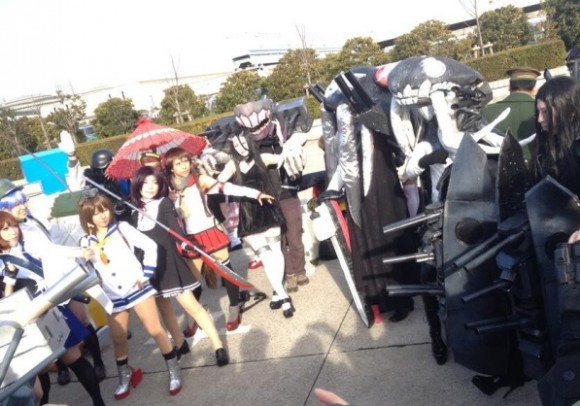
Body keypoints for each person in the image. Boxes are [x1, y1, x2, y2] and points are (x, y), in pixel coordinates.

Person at [0, 178, 107, 387]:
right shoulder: (8, 244)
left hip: (58, 282)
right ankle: (62, 368)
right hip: (34, 300)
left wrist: (79, 252)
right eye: (16, 204)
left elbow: (51, 250)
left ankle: (98, 362)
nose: (23, 206)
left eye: (23, 201)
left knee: (81, 324)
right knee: (49, 346)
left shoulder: (31, 223)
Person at [78, 193, 183, 399]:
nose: (103, 216)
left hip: (136, 287)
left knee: (155, 330)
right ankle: (124, 377)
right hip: (112, 294)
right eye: (96, 213)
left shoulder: (122, 228)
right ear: (88, 218)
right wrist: (83, 258)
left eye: (105, 210)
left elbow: (150, 246)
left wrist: (146, 273)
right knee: (118, 337)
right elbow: (83, 270)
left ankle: (174, 370)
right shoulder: (85, 241)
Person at [129, 166, 232, 365]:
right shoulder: (133, 211)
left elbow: (175, 229)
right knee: (164, 308)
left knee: (192, 306)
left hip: (170, 264)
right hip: (150, 269)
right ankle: (179, 343)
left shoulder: (164, 203)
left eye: (155, 182)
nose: (150, 187)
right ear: (137, 184)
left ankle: (218, 345)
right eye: (146, 182)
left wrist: (185, 243)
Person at [163, 146, 275, 330]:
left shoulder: (200, 180)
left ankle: (234, 309)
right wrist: (169, 199)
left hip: (210, 232)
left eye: (185, 161)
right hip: (189, 238)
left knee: (226, 273)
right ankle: (195, 313)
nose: (184, 166)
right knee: (191, 282)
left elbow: (229, 188)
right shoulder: (168, 188)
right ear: (170, 168)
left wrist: (256, 194)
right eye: (178, 163)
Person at [233, 98, 310, 293]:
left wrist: (292, 147)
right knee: (278, 241)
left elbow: (300, 136)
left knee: (294, 235)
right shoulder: (245, 142)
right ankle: (289, 273)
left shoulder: (284, 130)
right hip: (267, 197)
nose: (256, 129)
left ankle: (299, 269)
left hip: (287, 192)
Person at [217, 132, 295, 317]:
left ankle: (277, 292)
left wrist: (291, 146)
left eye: (244, 143)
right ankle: (284, 296)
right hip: (248, 216)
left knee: (276, 251)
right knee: (266, 255)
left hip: (269, 209)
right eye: (237, 145)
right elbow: (217, 183)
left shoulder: (263, 158)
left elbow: (282, 158)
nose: (241, 147)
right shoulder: (232, 165)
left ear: (250, 142)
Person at [481, 67, 540, 166]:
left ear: (509, 86)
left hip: (499, 170)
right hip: (537, 169)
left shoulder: (487, 111)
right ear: (534, 89)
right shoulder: (543, 110)